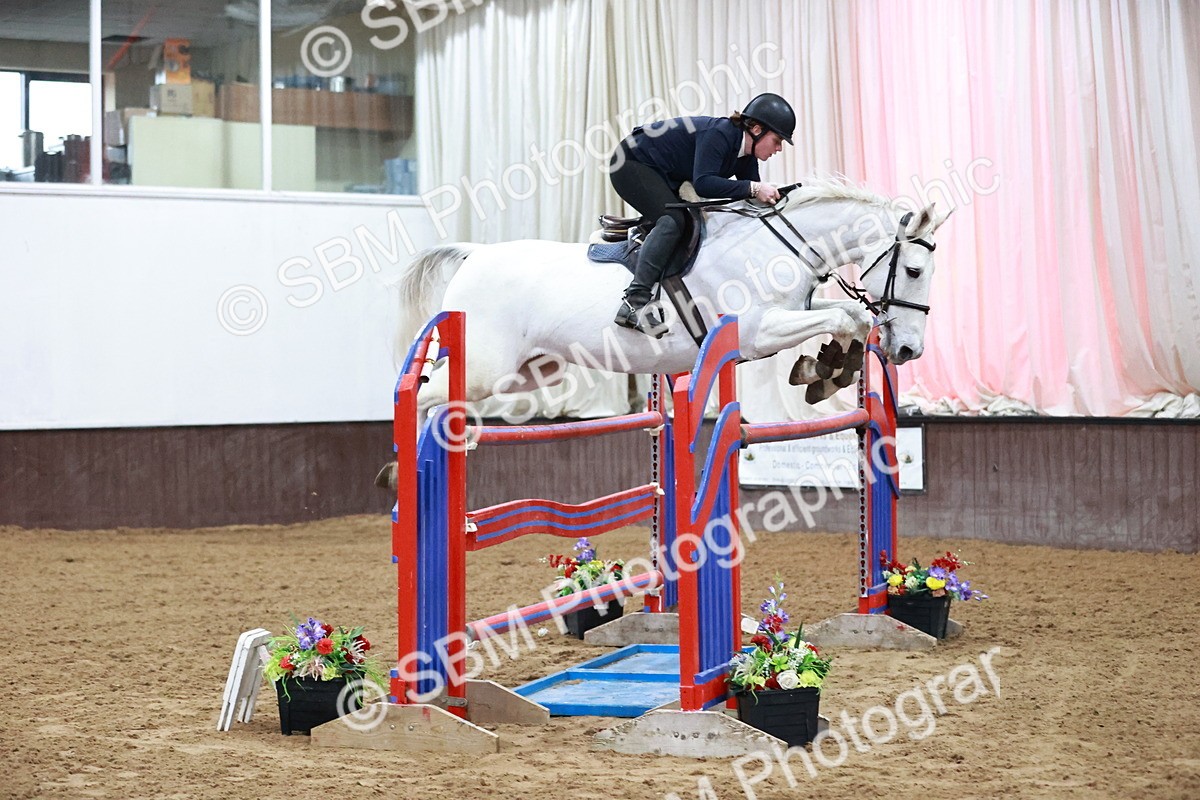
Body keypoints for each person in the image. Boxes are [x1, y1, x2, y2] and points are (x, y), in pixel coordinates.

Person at [609, 92, 796, 336]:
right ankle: (634, 302)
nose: (779, 148)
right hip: (631, 163)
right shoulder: (719, 134)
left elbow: (750, 200)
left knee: (692, 221)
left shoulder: (745, 155)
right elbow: (704, 184)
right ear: (757, 129)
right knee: (673, 221)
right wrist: (755, 188)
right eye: (778, 140)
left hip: (663, 171)